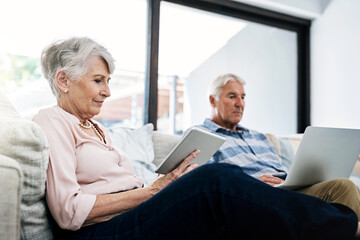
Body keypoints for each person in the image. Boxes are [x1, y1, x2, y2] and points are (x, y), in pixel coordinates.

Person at [33, 37, 360, 240]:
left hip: (132, 216)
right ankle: (349, 227)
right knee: (214, 179)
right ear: (64, 80)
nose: (107, 91)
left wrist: (163, 184)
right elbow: (68, 210)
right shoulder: (52, 120)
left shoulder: (95, 128)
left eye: (108, 80)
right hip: (101, 233)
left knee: (224, 176)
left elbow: (128, 187)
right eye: (98, 80)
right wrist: (152, 193)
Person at [195, 73, 360, 219]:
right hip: (256, 196)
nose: (240, 103)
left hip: (288, 188)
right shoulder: (202, 135)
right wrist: (251, 183)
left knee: (342, 182)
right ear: (212, 100)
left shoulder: (258, 137)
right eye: (232, 96)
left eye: (243, 97)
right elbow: (205, 183)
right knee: (343, 187)